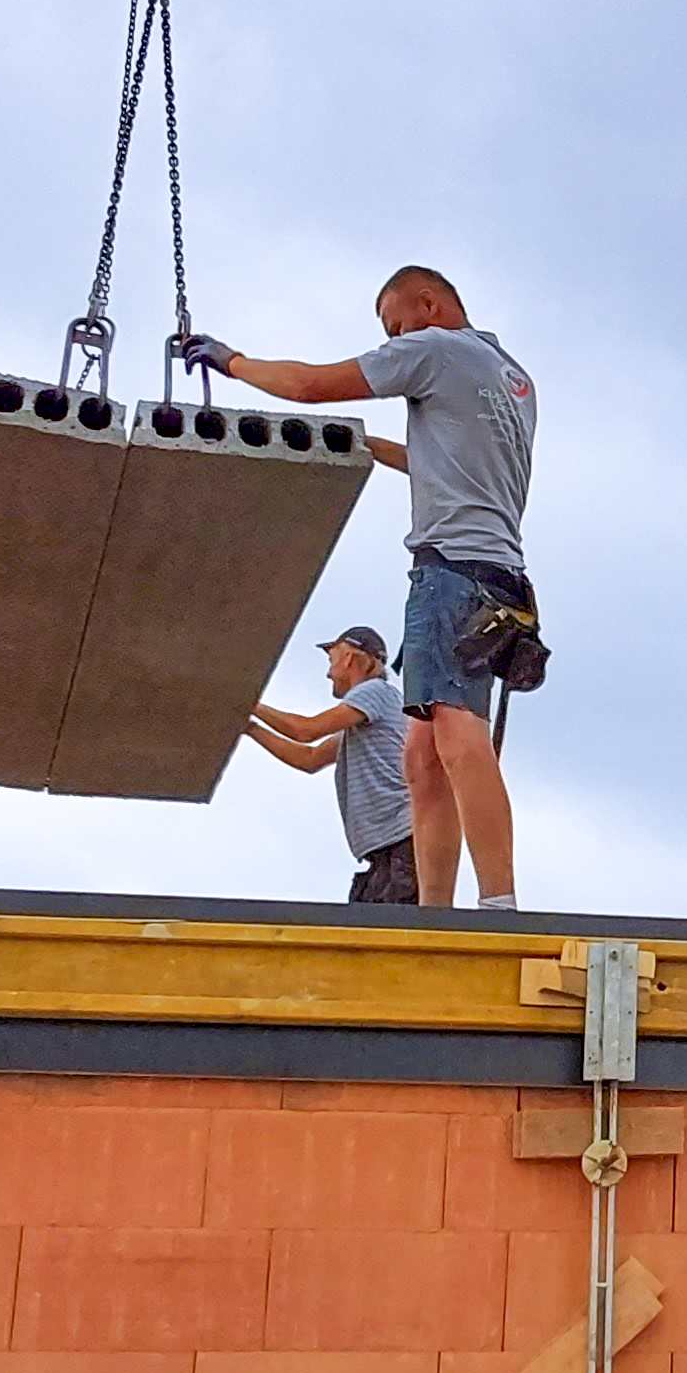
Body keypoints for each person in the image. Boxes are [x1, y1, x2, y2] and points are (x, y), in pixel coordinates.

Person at [181, 265, 536, 909]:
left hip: (451, 571)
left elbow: (313, 385)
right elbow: (440, 460)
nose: (395, 340)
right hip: (495, 578)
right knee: (422, 755)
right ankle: (438, 916)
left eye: (396, 326)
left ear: (428, 304)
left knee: (454, 734)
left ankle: (499, 907)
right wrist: (360, 444)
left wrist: (231, 362)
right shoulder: (508, 377)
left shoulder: (433, 348)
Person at [244, 625, 417, 904]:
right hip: (391, 850)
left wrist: (250, 705)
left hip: (402, 844)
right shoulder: (363, 723)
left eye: (331, 660)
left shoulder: (375, 691)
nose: (328, 673)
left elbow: (307, 730)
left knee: (387, 932)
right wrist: (251, 728)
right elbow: (309, 758)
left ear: (349, 658)